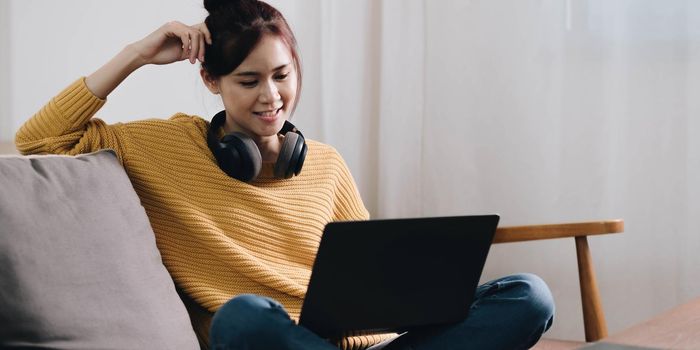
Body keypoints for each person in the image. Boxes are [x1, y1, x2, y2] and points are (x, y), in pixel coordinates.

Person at [15, 0, 555, 349]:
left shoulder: (325, 164)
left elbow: (373, 291)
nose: (271, 97)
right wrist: (135, 54)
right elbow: (40, 138)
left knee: (529, 296)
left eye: (281, 75)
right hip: (267, 340)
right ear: (211, 81)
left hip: (364, 346)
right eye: (248, 81)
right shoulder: (164, 146)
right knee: (240, 319)